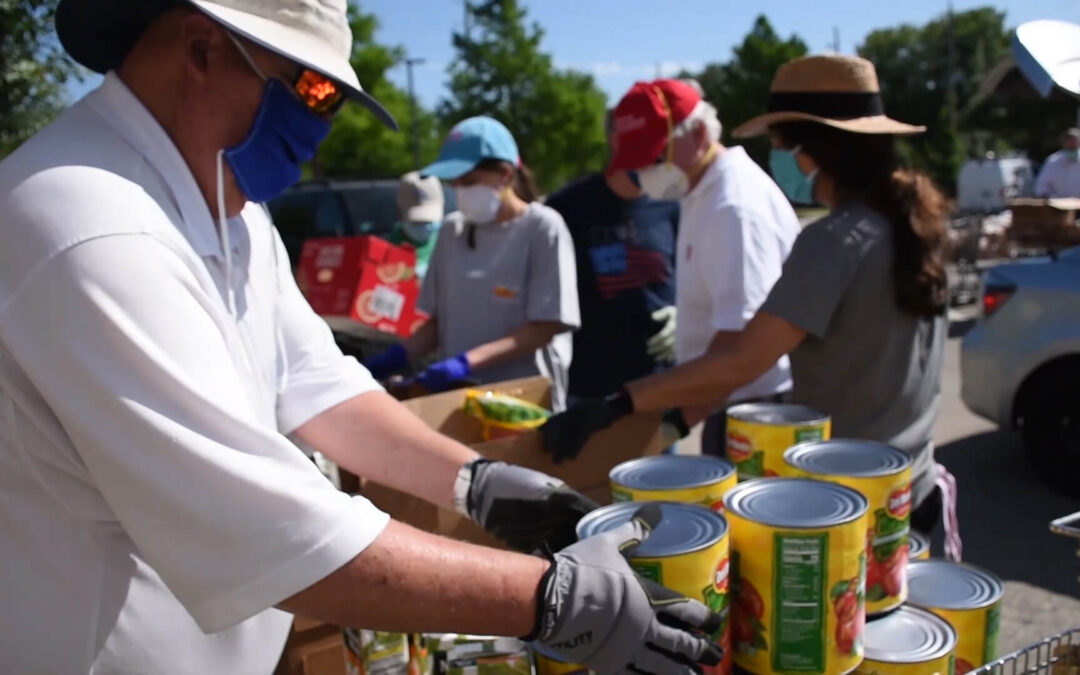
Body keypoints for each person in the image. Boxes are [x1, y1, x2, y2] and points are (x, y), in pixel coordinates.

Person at [0, 0, 722, 672]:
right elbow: (273, 531)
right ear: (200, 46)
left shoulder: (229, 211)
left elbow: (319, 385)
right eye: (315, 91)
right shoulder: (90, 225)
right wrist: (551, 599)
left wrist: (475, 482)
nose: (326, 123)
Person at [542, 55, 951, 539]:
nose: (777, 157)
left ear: (814, 151)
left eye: (781, 144)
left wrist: (621, 404)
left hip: (847, 501)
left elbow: (742, 357)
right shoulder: (905, 224)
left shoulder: (830, 239)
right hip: (904, 484)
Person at [555, 79, 801, 452]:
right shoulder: (699, 191)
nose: (644, 173)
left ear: (699, 133)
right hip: (723, 402)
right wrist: (678, 420)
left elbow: (741, 351)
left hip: (755, 417)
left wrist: (630, 405)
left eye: (654, 158)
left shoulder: (733, 208)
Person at [366, 118, 581, 410]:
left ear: (505, 174)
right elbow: (438, 323)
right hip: (460, 401)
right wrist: (397, 355)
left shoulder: (543, 229)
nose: (460, 191)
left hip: (524, 402)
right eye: (455, 184)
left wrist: (466, 362)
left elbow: (544, 327)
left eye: (468, 182)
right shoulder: (451, 231)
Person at [544, 110, 680, 399]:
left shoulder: (673, 205)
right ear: (617, 142)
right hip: (589, 388)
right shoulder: (567, 209)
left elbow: (693, 276)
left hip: (659, 386)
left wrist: (683, 314)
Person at [387, 170, 444, 280]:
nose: (426, 227)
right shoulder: (387, 249)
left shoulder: (448, 241)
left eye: (430, 221)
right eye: (417, 222)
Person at [1034, 128, 1080, 198]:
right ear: (1063, 143)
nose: (1072, 144)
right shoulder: (1053, 161)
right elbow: (1041, 188)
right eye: (1069, 141)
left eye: (1074, 142)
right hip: (1058, 205)